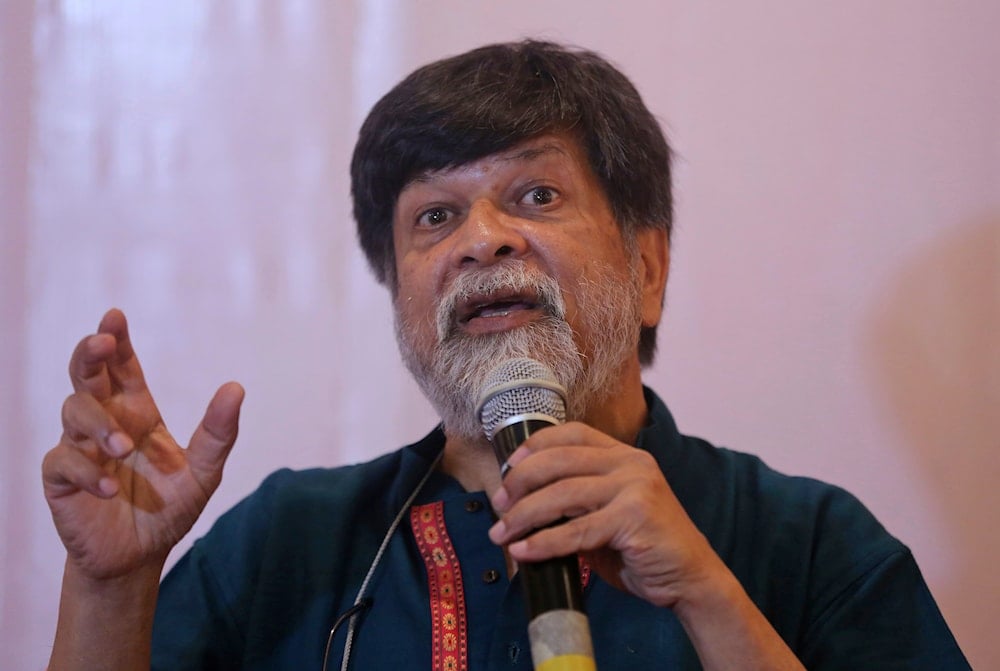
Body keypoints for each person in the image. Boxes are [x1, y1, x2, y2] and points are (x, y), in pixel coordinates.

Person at [42, 40, 969, 670]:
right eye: (434, 216)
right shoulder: (290, 540)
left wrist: (707, 594)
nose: (482, 241)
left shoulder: (808, 543)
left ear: (646, 269)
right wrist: (111, 584)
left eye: (534, 195)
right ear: (402, 295)